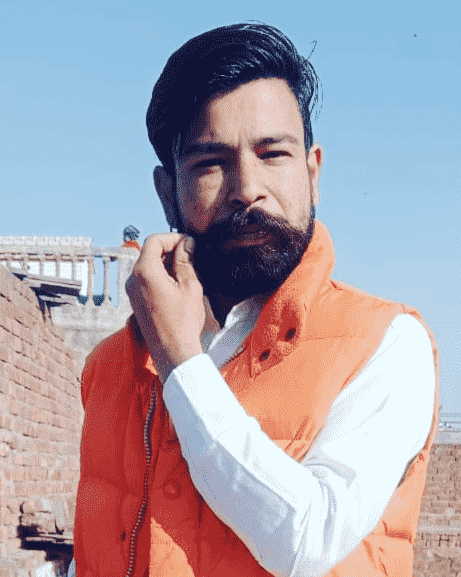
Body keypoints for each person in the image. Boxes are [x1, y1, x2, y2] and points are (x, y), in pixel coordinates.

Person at [70, 23, 439, 577]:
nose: (247, 188)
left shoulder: (386, 344)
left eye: (273, 154)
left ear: (312, 173)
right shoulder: (109, 368)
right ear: (167, 191)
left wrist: (180, 362)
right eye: (210, 163)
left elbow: (307, 541)